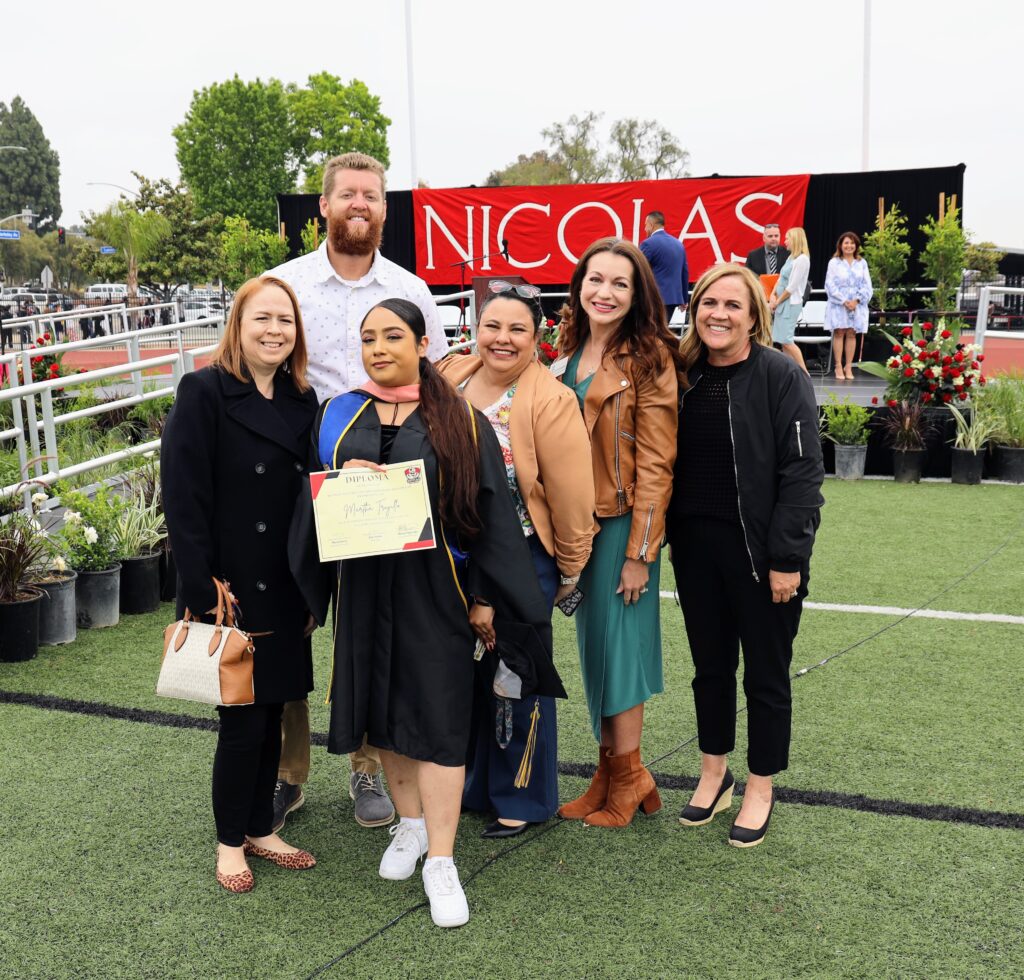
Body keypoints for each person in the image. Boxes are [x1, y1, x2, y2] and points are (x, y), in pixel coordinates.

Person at [291, 297, 552, 927]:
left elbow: (486, 511)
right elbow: (315, 496)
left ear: (421, 341)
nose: (379, 349)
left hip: (436, 590)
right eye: (368, 339)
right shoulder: (338, 412)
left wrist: (486, 597)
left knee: (436, 721)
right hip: (363, 585)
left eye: (392, 337)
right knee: (384, 716)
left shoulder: (458, 418)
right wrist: (341, 476)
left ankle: (441, 857)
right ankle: (408, 826)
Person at [266, 151, 448, 832]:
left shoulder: (410, 288)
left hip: (380, 481)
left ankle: (368, 766)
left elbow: (434, 385)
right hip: (294, 478)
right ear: (324, 205)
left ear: (383, 208)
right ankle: (288, 773)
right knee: (289, 623)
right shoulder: (284, 286)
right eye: (347, 194)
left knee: (370, 625)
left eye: (370, 195)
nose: (359, 205)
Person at [161, 276, 320, 892]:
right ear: (239, 323)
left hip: (284, 581)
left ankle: (261, 826)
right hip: (227, 586)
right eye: (263, 318)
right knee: (242, 722)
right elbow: (183, 495)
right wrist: (201, 585)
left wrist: (313, 585)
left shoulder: (302, 399)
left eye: (286, 320)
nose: (275, 330)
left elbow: (311, 497)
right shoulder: (203, 391)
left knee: (276, 712)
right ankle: (231, 842)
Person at [667, 263, 824, 849]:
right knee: (710, 668)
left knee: (765, 672)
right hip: (696, 551)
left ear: (754, 315)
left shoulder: (781, 375)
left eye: (734, 305)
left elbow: (804, 472)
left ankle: (761, 784)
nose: (719, 314)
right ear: (695, 308)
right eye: (710, 302)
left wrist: (788, 556)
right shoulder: (683, 376)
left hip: (762, 556)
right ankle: (715, 773)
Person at [437, 280, 597, 838]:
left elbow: (574, 494)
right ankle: (475, 784)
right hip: (450, 558)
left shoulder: (549, 399)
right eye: (492, 327)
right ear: (475, 329)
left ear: (537, 337)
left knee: (516, 675)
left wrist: (571, 565)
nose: (502, 339)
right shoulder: (449, 375)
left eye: (517, 330)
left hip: (518, 558)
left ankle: (521, 797)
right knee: (463, 675)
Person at [555, 238, 683, 828]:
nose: (604, 292)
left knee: (622, 654)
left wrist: (640, 552)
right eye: (595, 280)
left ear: (638, 295)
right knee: (595, 653)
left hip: (623, 528)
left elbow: (657, 463)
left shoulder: (650, 357)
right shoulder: (569, 347)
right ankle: (610, 773)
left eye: (620, 284)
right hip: (576, 526)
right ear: (580, 285)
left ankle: (629, 777)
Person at [824, 231, 873, 381]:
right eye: (846, 242)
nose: (849, 246)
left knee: (852, 333)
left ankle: (849, 366)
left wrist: (856, 301)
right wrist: (844, 301)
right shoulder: (834, 262)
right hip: (839, 304)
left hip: (857, 305)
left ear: (856, 246)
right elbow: (830, 284)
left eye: (852, 243)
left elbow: (867, 285)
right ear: (840, 245)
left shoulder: (861, 263)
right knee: (839, 332)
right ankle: (838, 365)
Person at [769, 227, 811, 375]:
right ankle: (789, 371)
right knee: (781, 340)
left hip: (790, 304)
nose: (785, 241)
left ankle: (804, 372)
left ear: (795, 239)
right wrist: (772, 295)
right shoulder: (791, 257)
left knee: (786, 339)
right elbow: (780, 278)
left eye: (787, 238)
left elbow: (791, 287)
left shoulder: (802, 260)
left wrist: (777, 301)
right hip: (781, 303)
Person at [639, 211, 689, 324]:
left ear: (651, 225)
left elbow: (639, 269)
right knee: (662, 331)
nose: (645, 229)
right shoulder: (678, 244)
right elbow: (684, 272)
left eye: (645, 225)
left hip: (653, 298)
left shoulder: (648, 244)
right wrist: (684, 299)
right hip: (673, 299)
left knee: (650, 333)